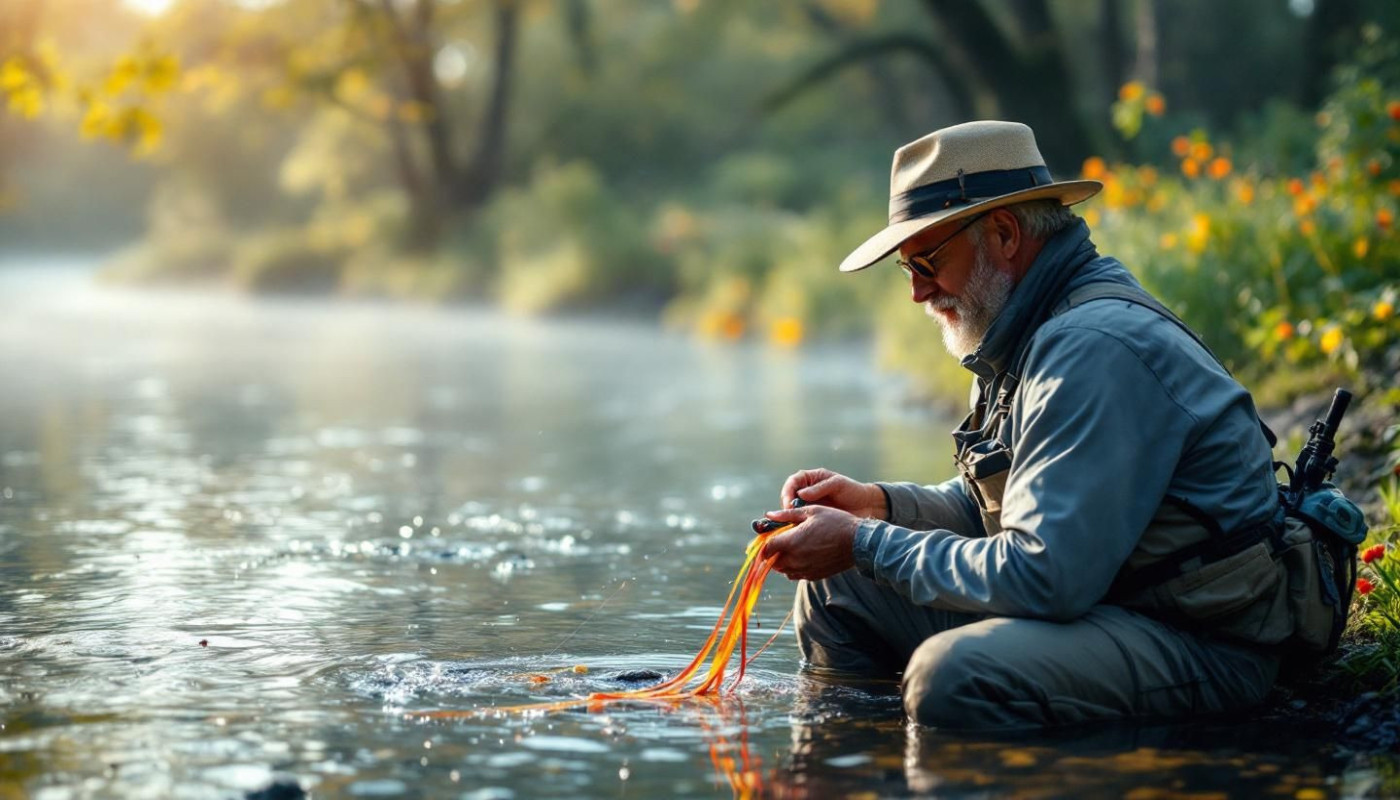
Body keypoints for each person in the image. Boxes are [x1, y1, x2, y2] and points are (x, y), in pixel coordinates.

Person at [758, 120, 1290, 730]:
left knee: (951, 675)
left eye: (927, 262)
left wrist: (863, 541)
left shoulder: (1091, 348)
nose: (917, 292)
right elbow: (1004, 506)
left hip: (1201, 640)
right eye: (907, 269)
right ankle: (872, 758)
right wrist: (879, 507)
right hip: (1108, 604)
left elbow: (1044, 575)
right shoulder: (1018, 329)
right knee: (839, 586)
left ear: (1005, 234)